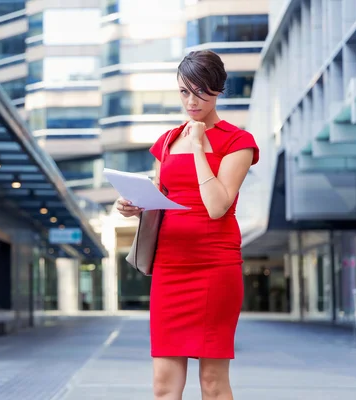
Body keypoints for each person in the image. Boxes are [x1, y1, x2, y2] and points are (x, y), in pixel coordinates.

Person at [117, 50, 259, 400]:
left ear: (218, 90)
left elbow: (216, 205)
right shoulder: (166, 141)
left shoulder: (237, 142)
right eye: (184, 91)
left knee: (212, 384)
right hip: (170, 267)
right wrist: (134, 205)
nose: (192, 101)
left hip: (215, 267)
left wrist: (198, 146)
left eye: (201, 92)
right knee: (163, 386)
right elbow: (162, 196)